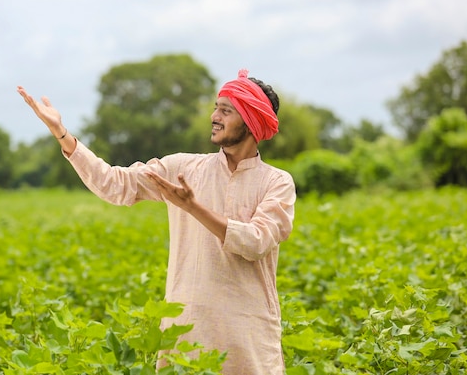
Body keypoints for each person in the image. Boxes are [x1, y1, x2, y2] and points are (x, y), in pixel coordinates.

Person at [16, 68, 296, 375]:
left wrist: (192, 206)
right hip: (185, 331)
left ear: (252, 121)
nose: (215, 116)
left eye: (226, 111)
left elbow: (255, 242)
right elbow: (115, 184)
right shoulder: (183, 167)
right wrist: (63, 135)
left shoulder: (276, 183)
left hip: (248, 336)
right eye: (216, 107)